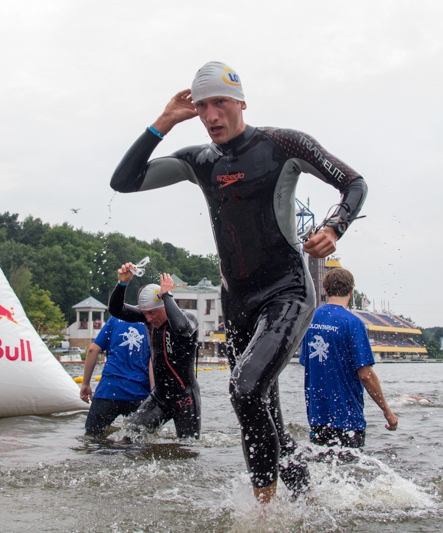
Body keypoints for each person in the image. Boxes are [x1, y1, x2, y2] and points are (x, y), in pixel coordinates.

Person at [110, 61, 367, 502]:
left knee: (244, 388)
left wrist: (335, 225)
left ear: (241, 103)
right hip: (238, 301)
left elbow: (353, 183)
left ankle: (264, 513)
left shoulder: (282, 144)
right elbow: (123, 181)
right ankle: (305, 498)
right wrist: (165, 122)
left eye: (221, 103)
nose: (211, 116)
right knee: (263, 407)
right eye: (203, 106)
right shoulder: (200, 161)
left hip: (287, 290)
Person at [300, 268, 397, 450]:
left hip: (317, 415)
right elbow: (366, 375)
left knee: (322, 471)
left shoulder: (310, 320)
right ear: (351, 291)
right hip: (347, 418)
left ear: (326, 291)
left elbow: (308, 364)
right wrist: (387, 411)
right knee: (350, 472)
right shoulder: (353, 323)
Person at [108, 269, 201, 439]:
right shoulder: (148, 320)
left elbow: (181, 328)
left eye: (152, 313)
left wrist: (167, 295)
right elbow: (116, 309)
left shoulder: (189, 319)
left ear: (164, 305)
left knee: (187, 448)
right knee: (130, 434)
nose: (149, 319)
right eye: (145, 314)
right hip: (160, 395)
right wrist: (123, 283)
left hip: (185, 397)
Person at [81, 317, 153, 437]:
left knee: (92, 437)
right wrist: (152, 395)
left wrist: (85, 384)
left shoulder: (116, 319)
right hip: (138, 394)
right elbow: (153, 361)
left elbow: (93, 350)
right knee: (138, 442)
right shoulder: (154, 322)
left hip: (108, 391)